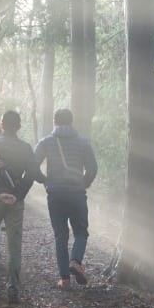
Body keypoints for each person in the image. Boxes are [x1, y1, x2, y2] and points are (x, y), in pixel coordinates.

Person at [33, 108, 99, 288]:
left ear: (55, 122)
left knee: (60, 236)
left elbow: (32, 164)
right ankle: (75, 262)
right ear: (72, 122)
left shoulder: (46, 142)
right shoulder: (83, 143)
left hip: (55, 195)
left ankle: (64, 279)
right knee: (81, 232)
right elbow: (93, 169)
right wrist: (83, 184)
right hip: (77, 194)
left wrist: (44, 181)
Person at [0, 110, 39, 303]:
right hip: (15, 201)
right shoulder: (26, 148)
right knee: (14, 243)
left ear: (2, 124)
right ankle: (13, 288)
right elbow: (31, 175)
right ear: (19, 126)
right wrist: (18, 195)